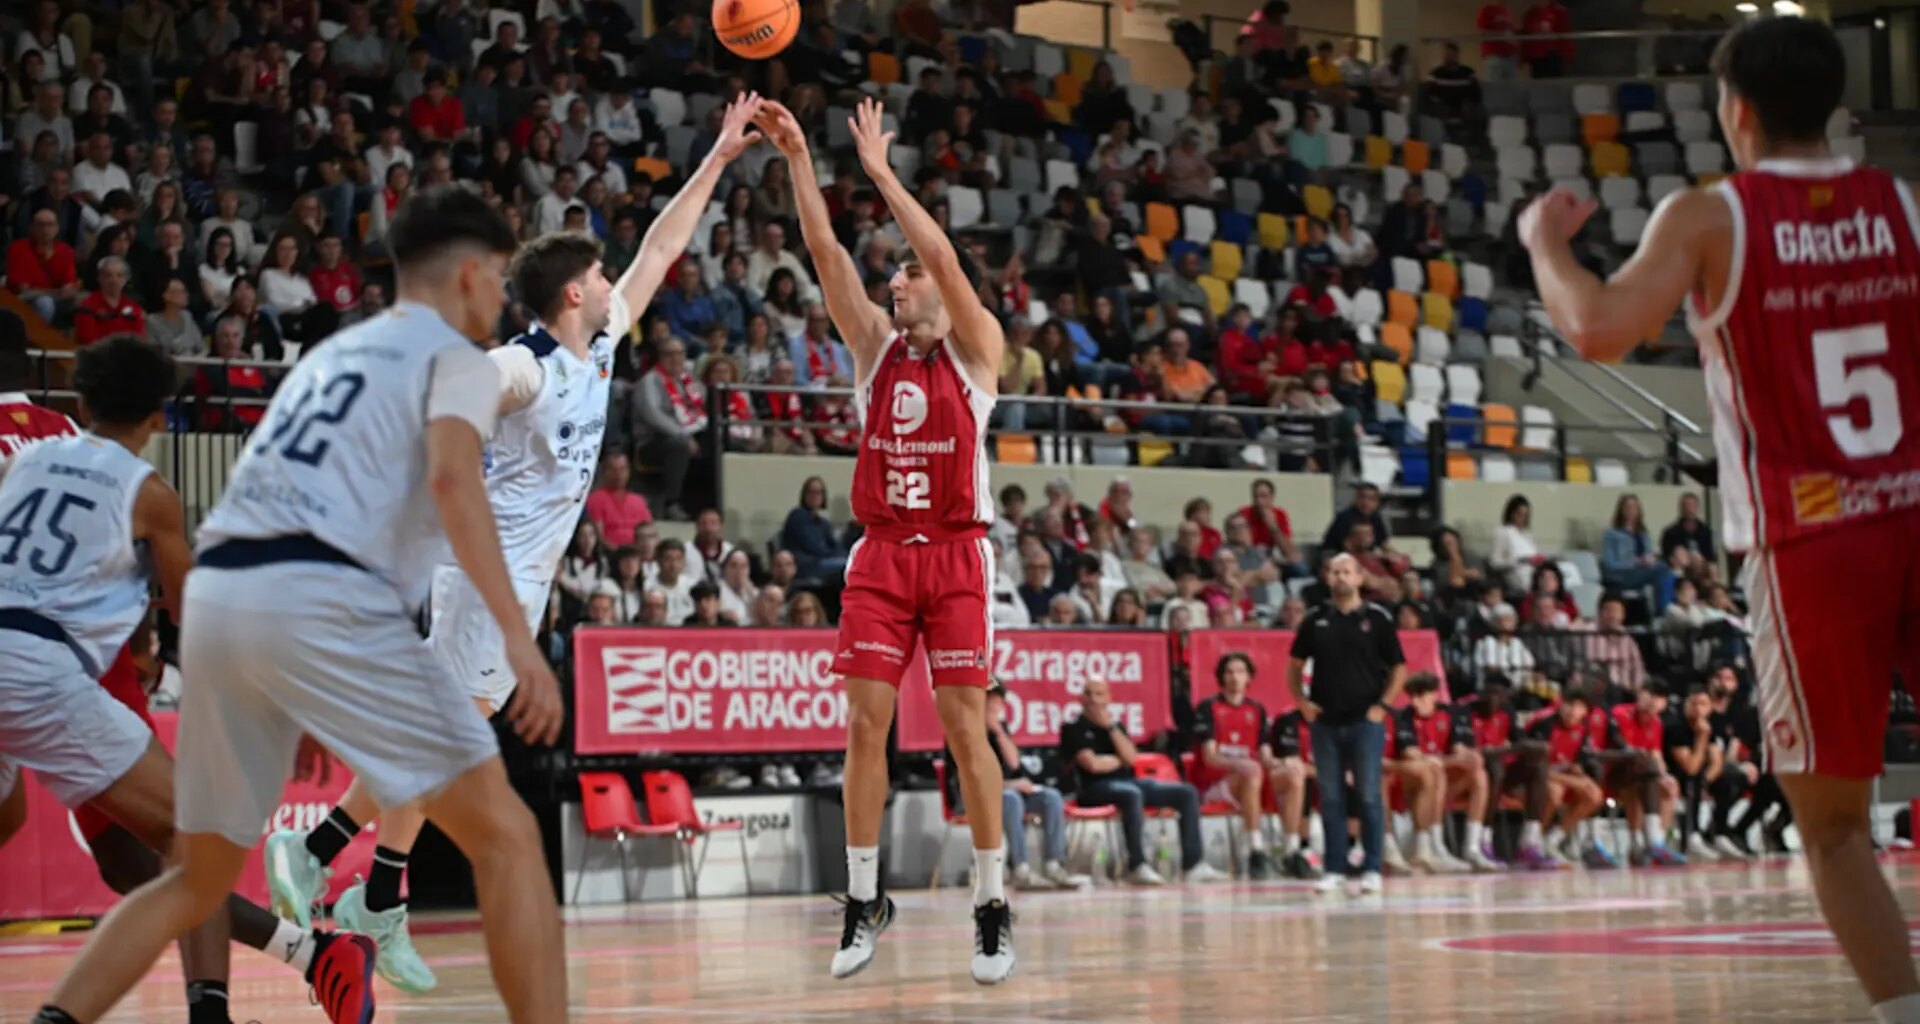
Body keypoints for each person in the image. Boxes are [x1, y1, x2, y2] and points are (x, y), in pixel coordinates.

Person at [28, 189, 568, 1024]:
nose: (502, 295)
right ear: (470, 273)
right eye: (499, 276)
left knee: (193, 871)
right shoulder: (453, 360)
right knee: (508, 838)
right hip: (311, 599)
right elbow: (455, 489)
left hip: (234, 595)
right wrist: (516, 638)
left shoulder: (327, 360)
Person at [261, 99, 765, 991]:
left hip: (520, 587)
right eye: (601, 276)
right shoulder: (522, 365)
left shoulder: (601, 344)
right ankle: (351, 878)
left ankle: (339, 868)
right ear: (573, 291)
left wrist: (720, 156)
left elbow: (661, 248)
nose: (617, 283)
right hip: (473, 578)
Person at [755, 96, 1014, 984]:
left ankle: (990, 904)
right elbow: (824, 254)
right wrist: (797, 157)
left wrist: (879, 172)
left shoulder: (979, 349)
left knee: (962, 730)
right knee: (866, 727)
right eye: (892, 278)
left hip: (955, 555)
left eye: (903, 276)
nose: (893, 283)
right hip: (880, 554)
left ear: (939, 288)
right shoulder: (872, 345)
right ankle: (865, 899)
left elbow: (939, 253)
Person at [1288, 554, 1406, 896]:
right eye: (1334, 571)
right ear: (1327, 578)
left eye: (1346, 572)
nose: (1340, 577)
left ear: (1359, 578)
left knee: (1369, 794)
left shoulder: (1378, 618)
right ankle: (1334, 868)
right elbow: (1294, 666)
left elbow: (1399, 667)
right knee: (1331, 797)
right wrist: (1301, 703)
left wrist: (1382, 707)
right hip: (1324, 722)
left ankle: (1372, 867)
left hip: (1365, 722)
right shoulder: (1314, 620)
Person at [1065, 675, 1226, 887]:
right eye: (1088, 693)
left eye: (1099, 693)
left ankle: (1193, 865)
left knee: (1186, 793)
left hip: (1129, 782)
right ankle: (1137, 865)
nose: (1093, 699)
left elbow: (1131, 758)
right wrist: (1119, 760)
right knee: (1132, 794)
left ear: (1108, 698)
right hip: (1094, 788)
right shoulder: (1073, 728)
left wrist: (1111, 730)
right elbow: (1092, 765)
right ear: (1081, 698)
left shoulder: (1116, 726)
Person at [969, 682, 1081, 890]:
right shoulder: (965, 732)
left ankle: (1054, 864)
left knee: (1051, 797)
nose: (995, 708)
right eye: (990, 702)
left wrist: (999, 731)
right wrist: (1010, 785)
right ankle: (1020, 868)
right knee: (1011, 798)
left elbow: (1013, 763)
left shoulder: (1000, 731)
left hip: (1005, 793)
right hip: (975, 798)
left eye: (998, 702)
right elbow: (972, 779)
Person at [1398, 673, 1502, 871]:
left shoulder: (1451, 714)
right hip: (1412, 785)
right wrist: (1452, 760)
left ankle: (1472, 847)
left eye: (1422, 696)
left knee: (1478, 774)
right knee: (1434, 772)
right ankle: (1437, 846)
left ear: (1435, 695)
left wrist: (1468, 757)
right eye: (1413, 697)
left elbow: (1460, 749)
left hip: (1443, 779)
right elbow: (1414, 756)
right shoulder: (1404, 717)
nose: (1416, 702)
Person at [1190, 653, 1279, 878]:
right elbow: (1210, 757)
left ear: (1249, 678)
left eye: (1240, 672)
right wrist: (1241, 764)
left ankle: (1294, 848)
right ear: (1221, 677)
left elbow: (1265, 755)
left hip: (1252, 779)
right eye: (1229, 672)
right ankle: (1256, 849)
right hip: (1215, 783)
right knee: (1251, 771)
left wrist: (1286, 764)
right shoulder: (1208, 707)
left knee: (1293, 777)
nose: (1234, 677)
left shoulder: (1257, 710)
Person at [1469, 676, 1561, 869]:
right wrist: (1510, 749)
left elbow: (1518, 740)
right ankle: (1484, 842)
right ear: (1481, 694)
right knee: (1494, 766)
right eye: (1490, 694)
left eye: (1499, 696)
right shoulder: (1465, 711)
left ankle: (1529, 843)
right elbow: (1475, 753)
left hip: (1499, 775)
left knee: (1537, 764)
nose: (1494, 701)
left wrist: (1532, 746)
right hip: (1471, 775)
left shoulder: (1507, 711)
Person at [1523, 688, 1612, 869]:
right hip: (1530, 779)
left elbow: (1577, 765)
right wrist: (1573, 781)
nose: (1573, 711)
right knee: (1554, 792)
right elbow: (1537, 770)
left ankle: (1554, 840)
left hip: (1559, 777)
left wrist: (1578, 774)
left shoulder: (1583, 730)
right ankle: (1533, 843)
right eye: (1569, 705)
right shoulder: (1544, 726)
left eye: (1579, 707)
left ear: (1586, 712)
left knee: (1594, 794)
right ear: (1560, 705)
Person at [1607, 680, 1688, 867]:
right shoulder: (1620, 714)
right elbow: (1623, 750)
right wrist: (1656, 771)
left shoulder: (1657, 723)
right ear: (1639, 694)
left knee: (1667, 787)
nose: (1653, 701)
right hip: (1614, 772)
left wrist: (1666, 777)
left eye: (1659, 698)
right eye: (1650, 694)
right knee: (1643, 773)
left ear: (1665, 704)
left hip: (1642, 775)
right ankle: (1644, 843)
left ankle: (1656, 843)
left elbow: (1656, 754)